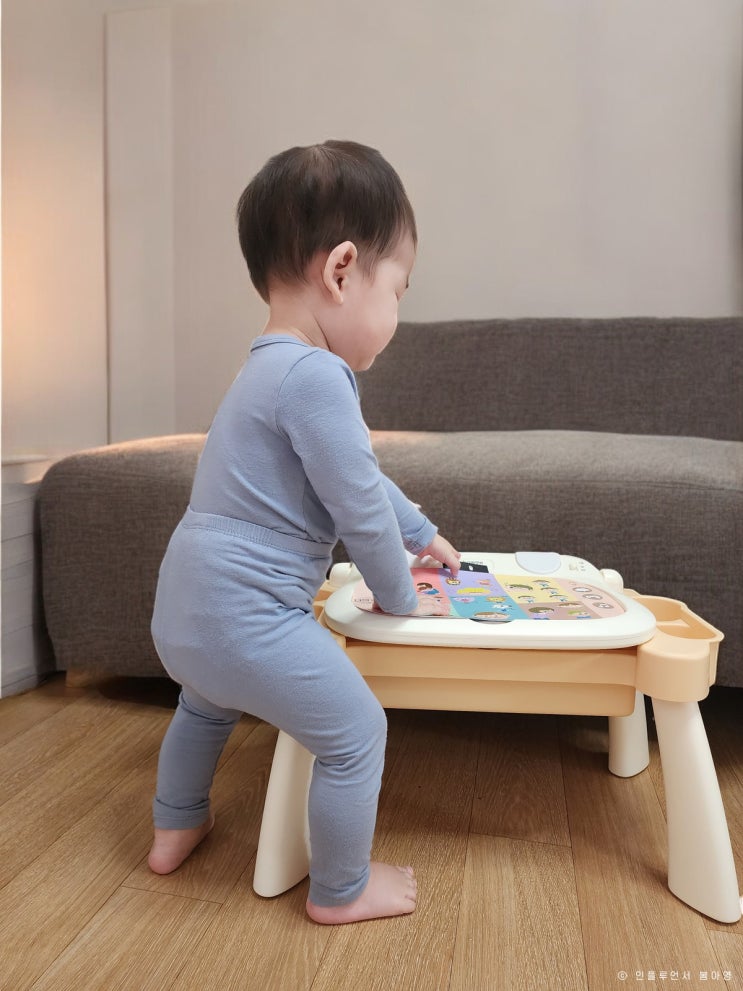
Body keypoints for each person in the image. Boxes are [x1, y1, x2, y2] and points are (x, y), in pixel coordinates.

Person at [147, 139, 460, 925]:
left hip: (184, 609)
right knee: (356, 731)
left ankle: (174, 825)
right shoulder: (320, 377)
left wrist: (420, 531)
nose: (396, 316)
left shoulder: (265, 366)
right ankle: (341, 887)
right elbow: (357, 508)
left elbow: (360, 479)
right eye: (397, 290)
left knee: (202, 707)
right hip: (244, 617)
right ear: (342, 270)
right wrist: (398, 594)